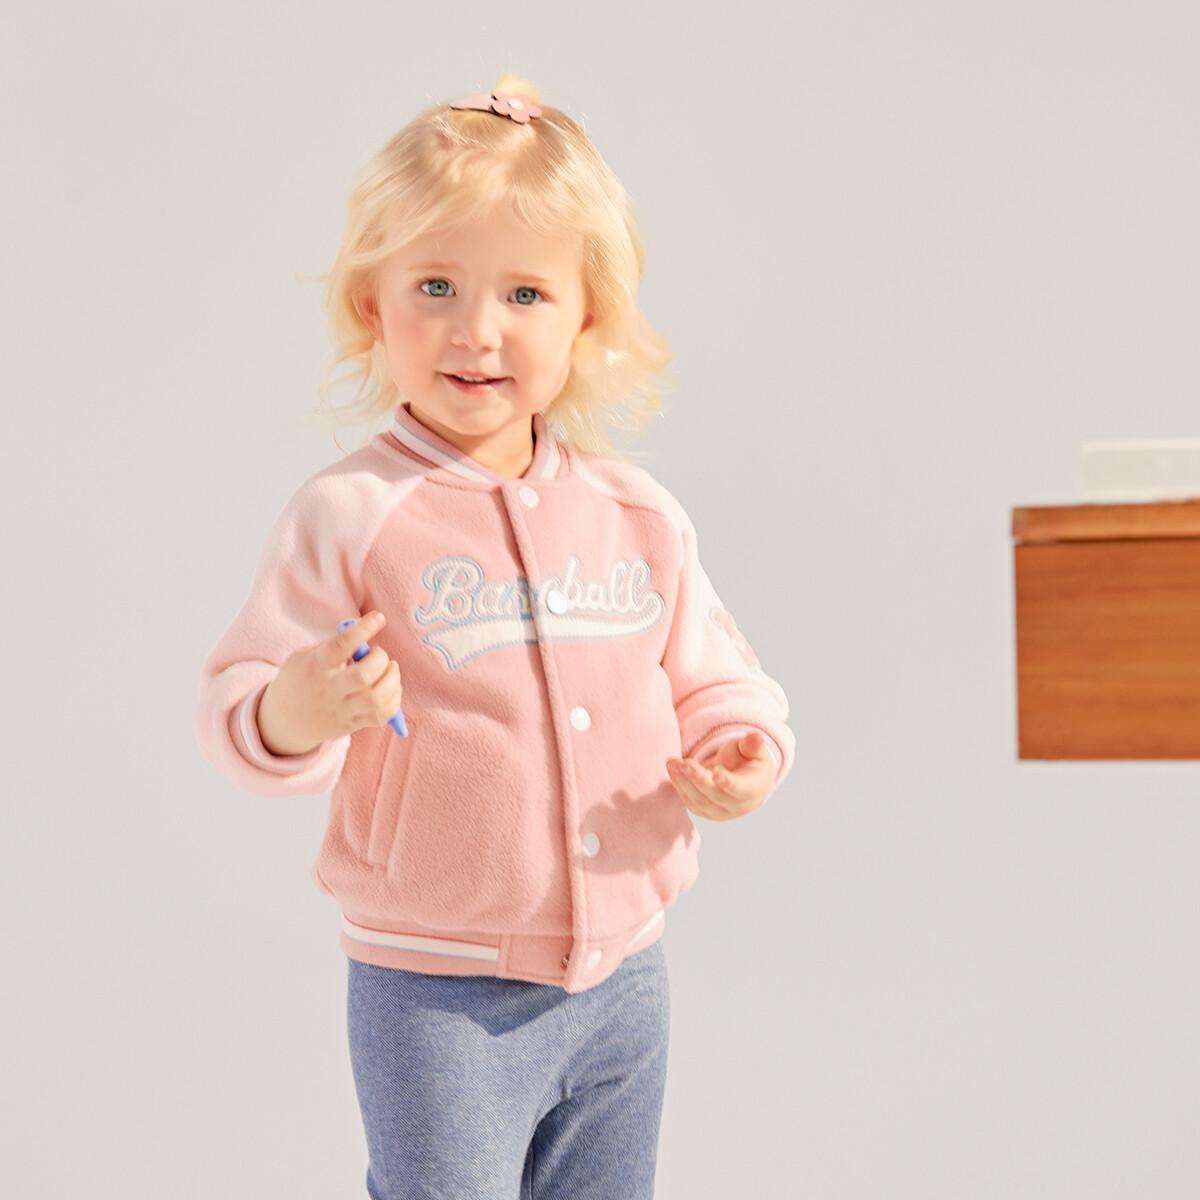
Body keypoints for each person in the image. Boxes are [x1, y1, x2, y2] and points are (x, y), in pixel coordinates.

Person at [193, 72, 796, 1200]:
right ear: (372, 306)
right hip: (438, 995)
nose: (478, 330)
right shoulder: (351, 512)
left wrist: (742, 747)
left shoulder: (636, 515)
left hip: (627, 983)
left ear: (586, 320)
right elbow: (240, 701)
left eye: (526, 293)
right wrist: (297, 708)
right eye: (436, 286)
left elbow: (717, 676)